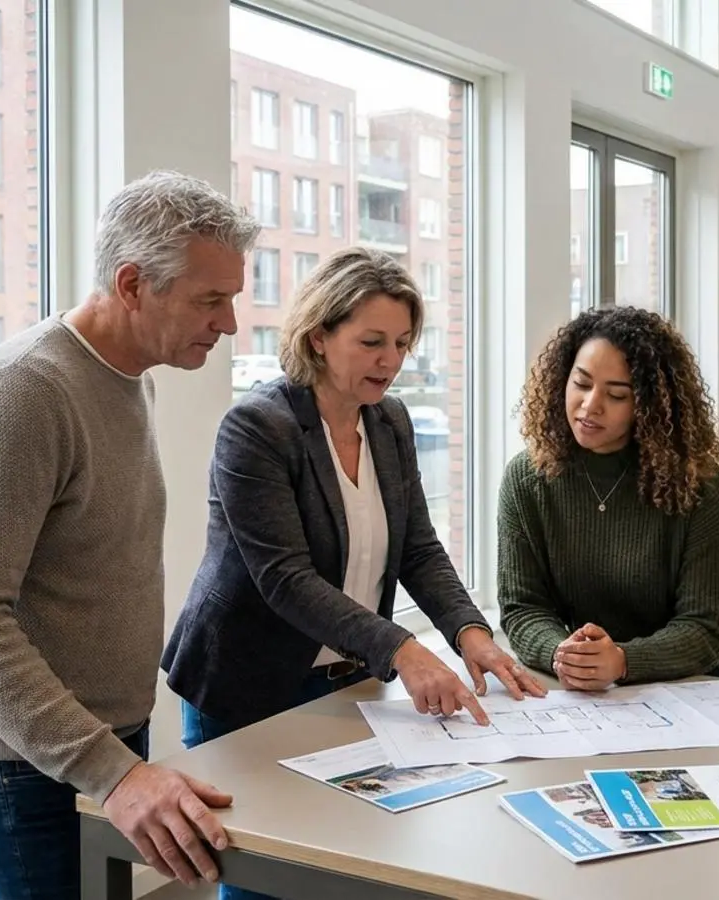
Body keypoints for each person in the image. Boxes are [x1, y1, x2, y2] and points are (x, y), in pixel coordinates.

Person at [162, 247, 542, 897]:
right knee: (262, 882)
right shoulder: (257, 427)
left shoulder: (389, 421)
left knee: (344, 870)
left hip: (344, 687)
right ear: (318, 336)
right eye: (371, 342)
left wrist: (469, 633)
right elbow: (286, 578)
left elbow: (418, 548)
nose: (390, 360)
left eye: (401, 343)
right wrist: (404, 651)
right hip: (248, 686)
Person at [0, 171, 258, 897]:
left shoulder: (133, 376)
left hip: (100, 739)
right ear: (133, 284)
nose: (229, 323)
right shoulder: (25, 392)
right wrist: (113, 773)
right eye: (210, 300)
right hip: (21, 763)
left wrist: (120, 760)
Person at [497, 306, 719, 690]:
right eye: (581, 383)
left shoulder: (696, 481)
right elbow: (523, 607)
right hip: (595, 682)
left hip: (708, 675)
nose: (590, 406)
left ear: (648, 405)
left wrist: (623, 660)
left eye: (617, 395)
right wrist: (564, 655)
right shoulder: (526, 478)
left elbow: (705, 626)